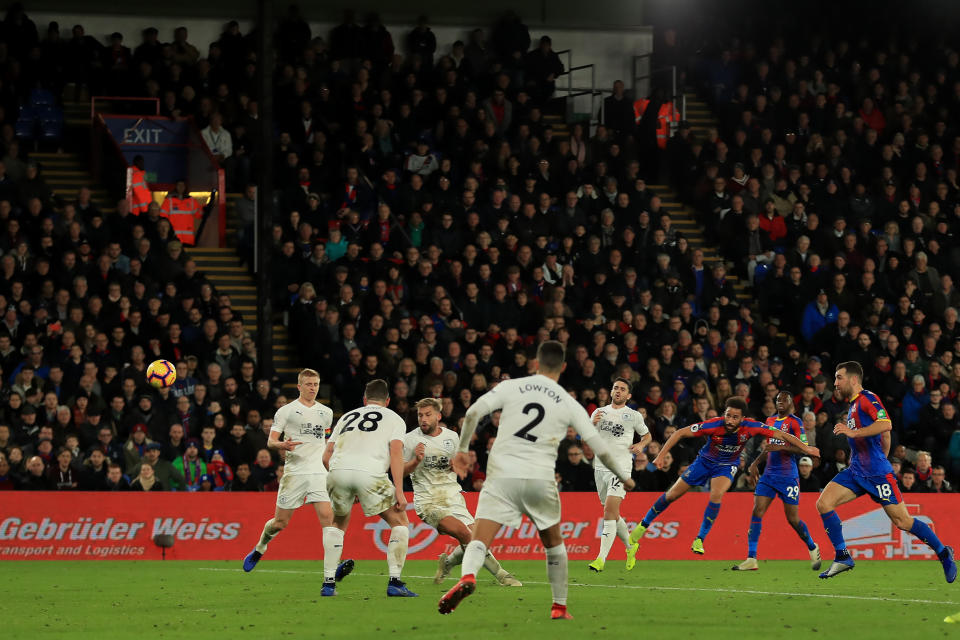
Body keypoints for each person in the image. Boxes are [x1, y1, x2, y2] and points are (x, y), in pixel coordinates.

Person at [438, 341, 636, 620]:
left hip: (502, 475)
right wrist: (624, 476)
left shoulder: (511, 387)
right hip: (540, 478)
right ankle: (559, 606)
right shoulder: (567, 401)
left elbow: (471, 413)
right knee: (554, 545)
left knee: (479, 539)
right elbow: (598, 446)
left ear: (535, 364)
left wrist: (461, 451)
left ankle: (468, 575)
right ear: (564, 367)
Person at [817, 361, 956, 581]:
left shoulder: (867, 399)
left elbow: (886, 425)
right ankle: (842, 556)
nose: (835, 383)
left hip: (877, 474)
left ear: (853, 379)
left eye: (839, 377)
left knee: (902, 522)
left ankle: (943, 553)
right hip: (856, 471)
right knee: (823, 503)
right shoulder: (852, 406)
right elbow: (885, 437)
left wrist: (857, 437)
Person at [629, 396, 819, 556]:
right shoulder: (714, 425)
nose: (729, 420)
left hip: (727, 466)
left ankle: (699, 539)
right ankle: (642, 527)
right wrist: (661, 455)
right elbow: (680, 432)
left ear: (743, 418)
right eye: (728, 415)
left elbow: (782, 434)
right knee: (671, 495)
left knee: (716, 495)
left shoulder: (752, 426)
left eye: (735, 417)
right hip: (703, 462)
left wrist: (806, 448)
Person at [243, 369, 352, 589]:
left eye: (316, 384)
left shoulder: (326, 412)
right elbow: (271, 441)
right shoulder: (286, 411)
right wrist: (281, 445)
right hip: (294, 473)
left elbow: (326, 440)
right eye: (309, 384)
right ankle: (260, 547)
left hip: (319, 473)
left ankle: (331, 574)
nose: (313, 388)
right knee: (280, 523)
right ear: (299, 386)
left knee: (329, 522)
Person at [403, 397, 520, 587]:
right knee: (466, 536)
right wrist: (416, 461)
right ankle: (502, 575)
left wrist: (457, 466)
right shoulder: (410, 440)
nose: (423, 419)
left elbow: (459, 465)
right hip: (428, 501)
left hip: (453, 497)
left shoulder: (451, 437)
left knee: (477, 539)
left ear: (438, 416)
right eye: (420, 415)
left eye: (427, 415)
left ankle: (447, 563)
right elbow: (399, 471)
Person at [322, 379, 417, 597]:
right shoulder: (394, 418)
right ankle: (395, 582)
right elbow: (395, 453)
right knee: (400, 521)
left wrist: (344, 482)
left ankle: (328, 584)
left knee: (337, 523)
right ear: (388, 400)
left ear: (365, 400)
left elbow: (326, 456)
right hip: (371, 473)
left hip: (337, 471)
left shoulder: (346, 417)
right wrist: (400, 493)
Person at [733, 391, 821, 571]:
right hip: (769, 475)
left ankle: (812, 547)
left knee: (793, 519)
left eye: (784, 400)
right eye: (778, 399)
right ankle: (751, 558)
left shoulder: (795, 422)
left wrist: (781, 446)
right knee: (757, 511)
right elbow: (768, 448)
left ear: (791, 403)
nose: (780, 402)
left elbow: (804, 449)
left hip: (788, 476)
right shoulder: (770, 421)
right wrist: (755, 463)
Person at [587, 377, 651, 573]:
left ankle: (600, 559)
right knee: (613, 514)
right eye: (615, 388)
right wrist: (590, 424)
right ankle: (631, 547)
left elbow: (647, 436)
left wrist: (640, 445)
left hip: (620, 469)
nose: (618, 391)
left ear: (628, 395)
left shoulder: (633, 416)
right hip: (600, 468)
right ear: (611, 391)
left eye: (622, 389)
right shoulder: (599, 412)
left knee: (608, 511)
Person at [159, 180, 205, 246]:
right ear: (175, 187)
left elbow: (199, 214)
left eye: (183, 185)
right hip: (173, 237)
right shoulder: (169, 201)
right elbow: (162, 219)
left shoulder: (191, 201)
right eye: (179, 185)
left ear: (185, 187)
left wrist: (205, 207)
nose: (181, 187)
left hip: (188, 239)